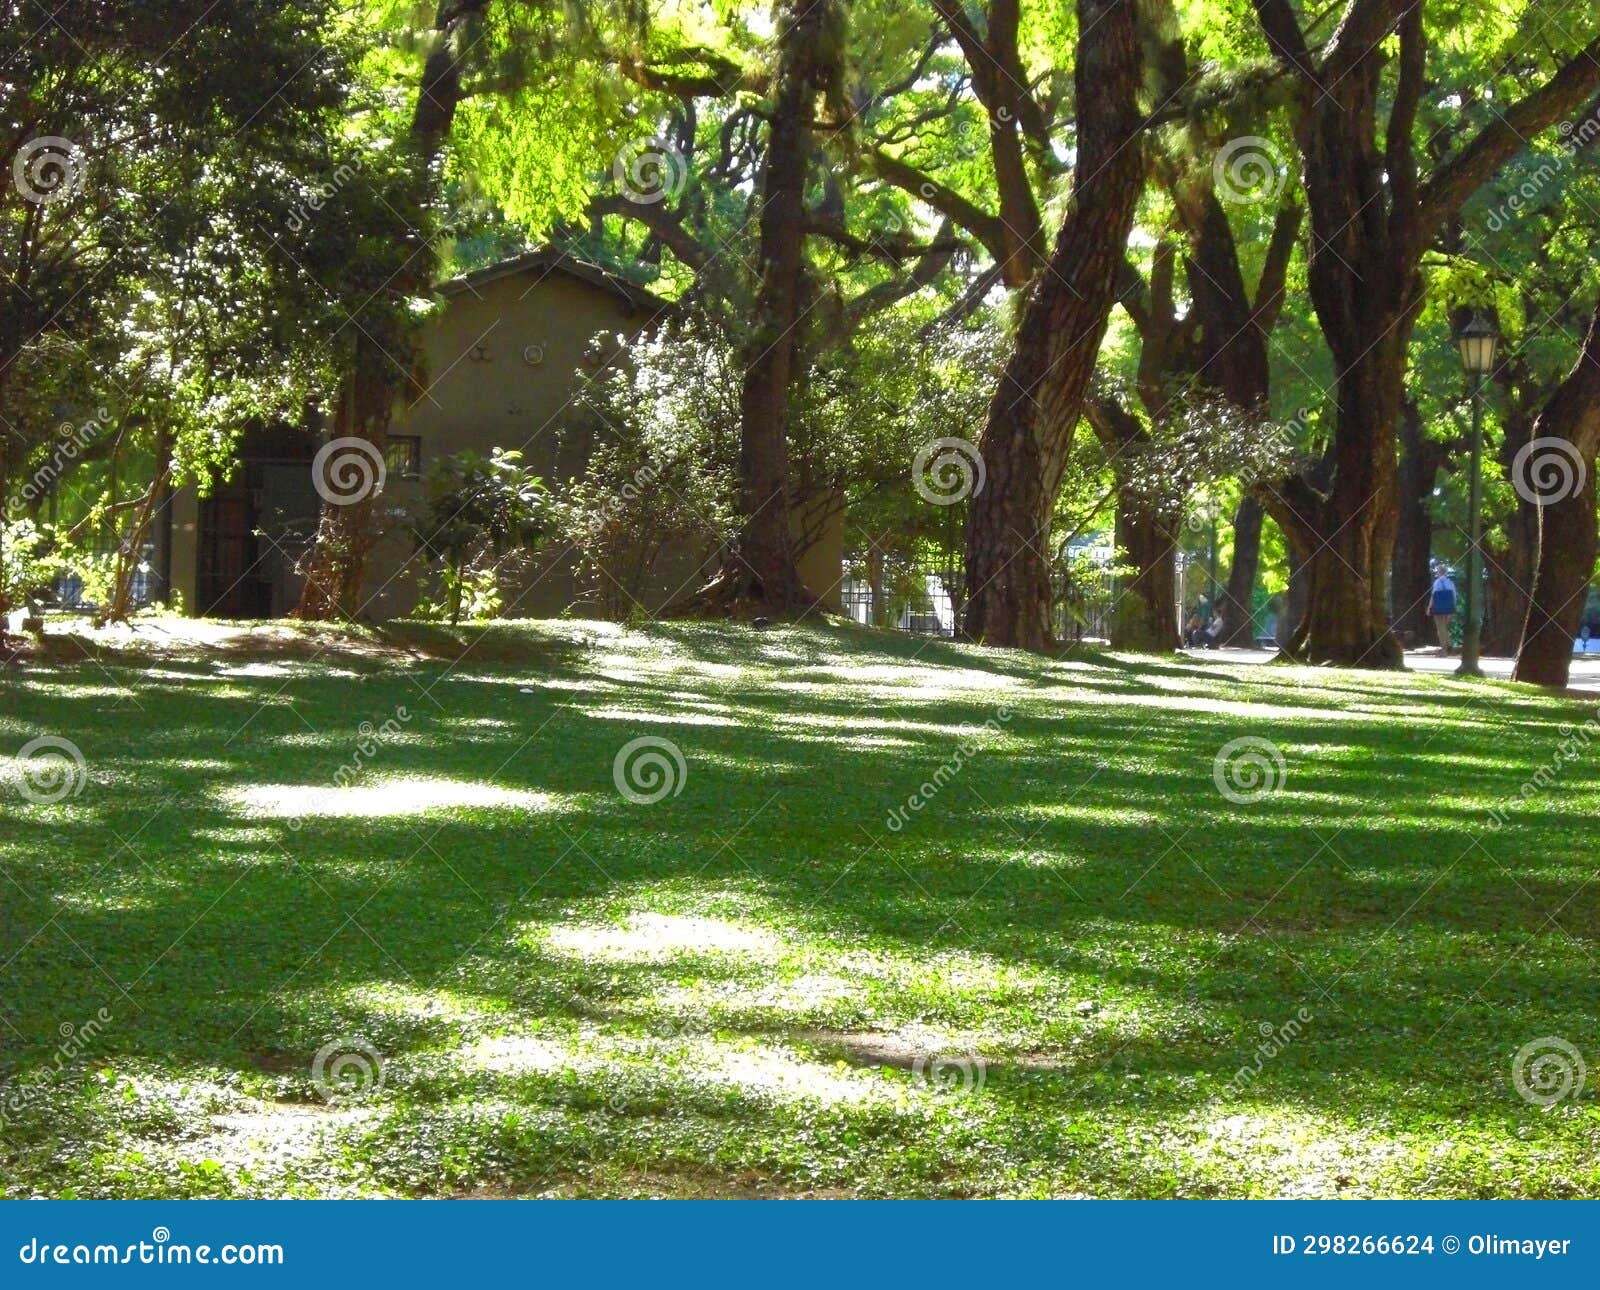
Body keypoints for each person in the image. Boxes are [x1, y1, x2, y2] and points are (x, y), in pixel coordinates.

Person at [1431, 566, 1457, 654]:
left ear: (1439, 572)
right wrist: (1453, 609)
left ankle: (1445, 649)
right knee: (1444, 628)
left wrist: (1429, 607)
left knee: (1440, 628)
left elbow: (1433, 596)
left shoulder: (1437, 582)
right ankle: (1449, 646)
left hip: (1438, 608)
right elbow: (1454, 597)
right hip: (1448, 608)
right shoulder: (1450, 582)